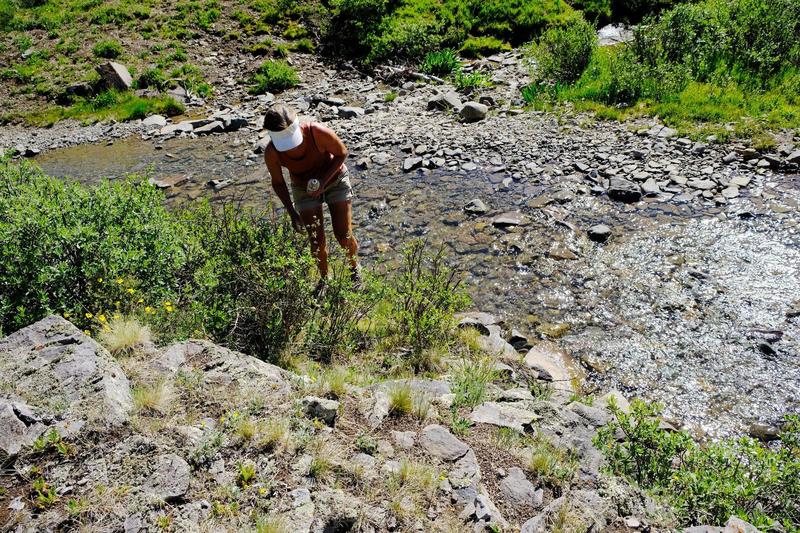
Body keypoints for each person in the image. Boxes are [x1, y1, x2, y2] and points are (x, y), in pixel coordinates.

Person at [263, 104, 359, 284]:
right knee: (316, 241)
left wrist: (323, 181)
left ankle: (354, 270)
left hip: (335, 180)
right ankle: (325, 280)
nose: (290, 149)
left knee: (343, 235)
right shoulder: (272, 152)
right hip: (302, 188)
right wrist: (292, 213)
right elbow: (278, 182)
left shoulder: (317, 132)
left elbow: (342, 153)